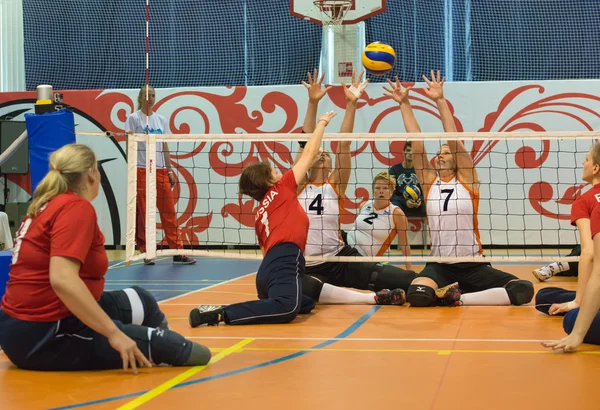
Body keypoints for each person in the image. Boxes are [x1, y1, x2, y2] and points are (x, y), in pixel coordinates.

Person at [0, 144, 210, 373]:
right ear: (91, 172)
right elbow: (61, 279)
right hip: (45, 336)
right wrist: (114, 333)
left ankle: (149, 345)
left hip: (22, 326)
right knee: (195, 353)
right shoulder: (75, 207)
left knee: (142, 299)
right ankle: (150, 346)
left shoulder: (47, 204)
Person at [385, 70, 534, 307]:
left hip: (474, 265)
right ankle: (450, 295)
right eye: (439, 153)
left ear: (455, 159)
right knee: (417, 294)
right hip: (440, 265)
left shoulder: (467, 180)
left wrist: (440, 101)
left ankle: (458, 297)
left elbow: (454, 141)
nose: (441, 156)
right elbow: (417, 143)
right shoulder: (429, 182)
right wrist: (404, 103)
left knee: (522, 290)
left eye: (446, 153)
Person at [296, 70, 417, 301]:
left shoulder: (334, 186)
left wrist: (351, 104)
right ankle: (367, 297)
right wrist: (312, 103)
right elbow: (305, 143)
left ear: (331, 164)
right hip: (308, 265)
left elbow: (343, 146)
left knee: (406, 279)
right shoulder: (299, 185)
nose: (322, 155)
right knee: (304, 292)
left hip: (341, 259)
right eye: (317, 152)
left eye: (325, 154)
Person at [125, 85, 195, 266]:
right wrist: (132, 169)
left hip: (160, 170)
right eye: (147, 95)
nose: (151, 98)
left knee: (169, 212)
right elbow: (129, 145)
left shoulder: (161, 120)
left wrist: (170, 170)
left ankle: (177, 251)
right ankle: (147, 252)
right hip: (141, 169)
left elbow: (165, 146)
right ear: (141, 97)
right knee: (144, 214)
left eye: (153, 95)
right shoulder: (133, 119)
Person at [535, 145, 600, 315]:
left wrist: (578, 302)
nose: (582, 162)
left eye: (586, 159)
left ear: (595, 168)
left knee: (544, 298)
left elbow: (589, 253)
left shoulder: (584, 201)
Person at [543, 203, 600, 351]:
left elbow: (590, 256)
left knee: (572, 318)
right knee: (545, 296)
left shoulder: (590, 204)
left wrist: (578, 333)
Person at [345, 171, 412, 269]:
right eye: (378, 188)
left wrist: (409, 269)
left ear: (392, 191)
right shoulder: (364, 205)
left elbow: (404, 245)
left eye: (385, 188)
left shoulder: (397, 214)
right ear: (373, 191)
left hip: (363, 258)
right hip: (346, 244)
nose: (381, 191)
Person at [389, 142, 426, 218]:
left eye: (413, 151)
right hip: (400, 202)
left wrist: (420, 200)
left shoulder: (421, 170)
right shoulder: (394, 170)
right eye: (408, 150)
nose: (410, 153)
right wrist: (405, 202)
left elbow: (427, 191)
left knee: (430, 205)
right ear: (403, 152)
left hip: (418, 201)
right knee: (394, 205)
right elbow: (391, 193)